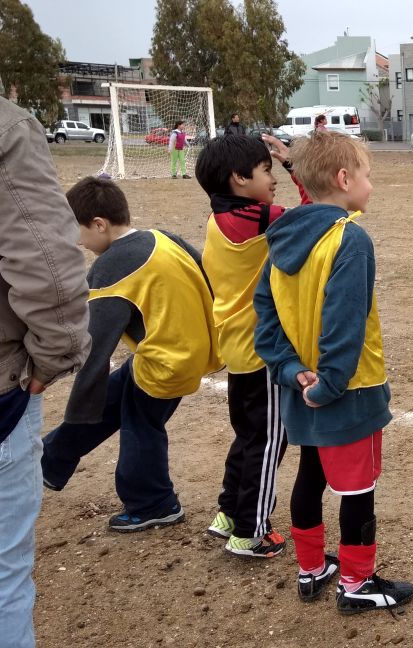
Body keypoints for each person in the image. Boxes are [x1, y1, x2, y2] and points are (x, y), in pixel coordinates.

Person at [253, 130, 413, 613]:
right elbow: (343, 323)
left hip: (299, 389)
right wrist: (330, 384)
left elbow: (264, 314)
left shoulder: (281, 238)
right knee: (358, 489)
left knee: (309, 474)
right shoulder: (351, 239)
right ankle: (356, 583)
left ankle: (310, 569)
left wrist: (288, 368)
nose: (371, 184)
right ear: (344, 179)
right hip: (348, 393)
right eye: (367, 174)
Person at [41, 177, 221, 533]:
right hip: (182, 351)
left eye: (78, 231)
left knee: (141, 424)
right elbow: (208, 275)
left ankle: (153, 503)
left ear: (99, 224)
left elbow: (93, 343)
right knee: (111, 400)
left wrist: (74, 391)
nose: (78, 241)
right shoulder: (161, 237)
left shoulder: (111, 267)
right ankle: (48, 461)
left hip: (165, 364)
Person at [0, 97, 91, 648]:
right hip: (5, 391)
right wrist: (51, 360)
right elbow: (48, 265)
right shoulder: (8, 127)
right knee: (5, 578)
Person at [194, 133, 313, 558]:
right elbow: (316, 212)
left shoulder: (219, 216)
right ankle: (251, 531)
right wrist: (295, 167)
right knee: (268, 440)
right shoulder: (255, 218)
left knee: (248, 435)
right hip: (261, 346)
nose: (272, 178)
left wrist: (285, 166)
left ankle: (228, 511)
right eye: (266, 170)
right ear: (239, 178)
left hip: (237, 342)